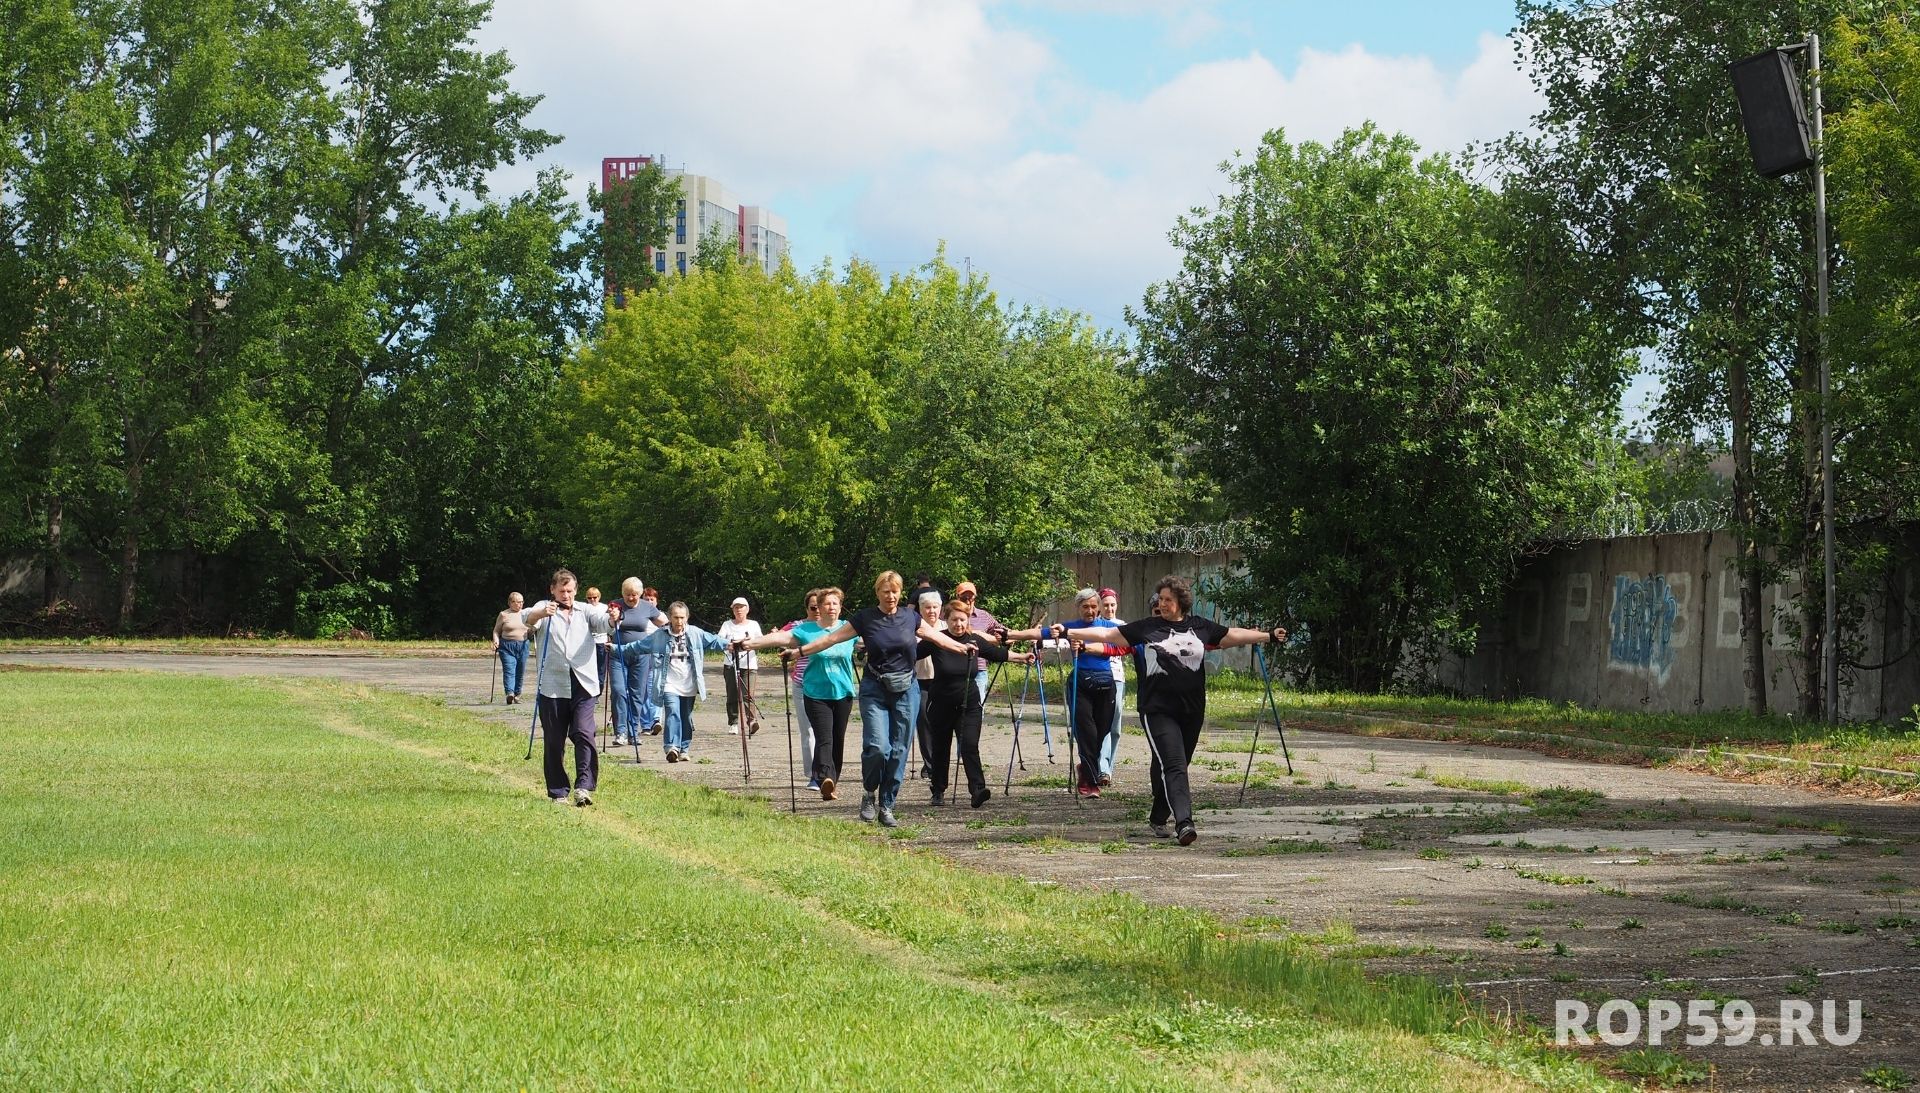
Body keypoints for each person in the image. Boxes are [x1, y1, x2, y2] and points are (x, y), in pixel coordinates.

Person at [1043, 575, 1285, 846]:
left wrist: (1267, 636)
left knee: (1176, 765)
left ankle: (1159, 815)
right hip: (1157, 709)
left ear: (1181, 602)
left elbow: (1231, 635)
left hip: (1192, 710)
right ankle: (1184, 823)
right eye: (1160, 599)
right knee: (1174, 765)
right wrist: (1068, 632)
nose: (1163, 603)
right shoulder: (1148, 627)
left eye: (1168, 599)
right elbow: (1109, 634)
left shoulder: (1199, 627)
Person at [741, 587, 857, 801]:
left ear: (841, 608)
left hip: (843, 693)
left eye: (835, 604)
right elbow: (778, 638)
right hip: (815, 693)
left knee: (838, 739)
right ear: (819, 608)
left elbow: (876, 640)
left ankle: (832, 781)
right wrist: (749, 644)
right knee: (824, 737)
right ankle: (823, 778)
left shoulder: (848, 630)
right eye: (826, 604)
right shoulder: (807, 630)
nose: (831, 607)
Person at [919, 598, 1030, 807]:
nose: (958, 624)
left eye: (962, 620)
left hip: (968, 704)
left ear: (967, 620)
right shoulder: (937, 640)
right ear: (946, 619)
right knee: (941, 748)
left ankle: (978, 790)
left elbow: (999, 653)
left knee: (970, 745)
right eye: (954, 620)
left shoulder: (975, 641)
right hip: (940, 703)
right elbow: (911, 653)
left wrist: (1023, 657)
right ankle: (938, 790)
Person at [520, 569, 616, 805]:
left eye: (570, 591)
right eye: (561, 591)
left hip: (583, 682)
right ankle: (558, 791)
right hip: (552, 684)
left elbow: (604, 623)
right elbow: (527, 618)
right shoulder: (544, 607)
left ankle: (584, 787)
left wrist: (614, 617)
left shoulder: (586, 610)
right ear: (552, 590)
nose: (566, 595)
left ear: (576, 590)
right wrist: (542, 612)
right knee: (554, 739)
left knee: (584, 732)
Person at [613, 601, 729, 762]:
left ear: (687, 617)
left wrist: (731, 645)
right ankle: (671, 747)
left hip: (689, 683)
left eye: (682, 617)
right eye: (675, 617)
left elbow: (714, 641)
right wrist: (616, 648)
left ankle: (684, 748)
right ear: (669, 617)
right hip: (668, 682)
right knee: (672, 711)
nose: (679, 621)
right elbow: (639, 646)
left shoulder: (695, 633)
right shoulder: (660, 635)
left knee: (686, 717)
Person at [609, 577, 666, 746]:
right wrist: (614, 618)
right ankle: (620, 732)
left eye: (634, 594)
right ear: (622, 593)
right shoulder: (615, 605)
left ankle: (633, 731)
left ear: (640, 594)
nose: (630, 598)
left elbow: (664, 623)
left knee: (637, 694)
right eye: (627, 594)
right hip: (618, 654)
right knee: (619, 691)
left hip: (641, 656)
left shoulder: (647, 607)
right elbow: (608, 625)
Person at [779, 591, 822, 789]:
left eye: (820, 606)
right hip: (802, 684)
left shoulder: (834, 627)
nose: (818, 611)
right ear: (807, 609)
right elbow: (778, 638)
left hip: (828, 685)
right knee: (809, 730)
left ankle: (827, 771)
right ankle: (814, 774)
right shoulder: (797, 626)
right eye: (813, 607)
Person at [716, 597, 764, 735]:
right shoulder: (727, 624)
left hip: (749, 664)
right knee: (732, 694)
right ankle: (733, 722)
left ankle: (752, 721)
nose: (739, 610)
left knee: (748, 694)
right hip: (731, 663)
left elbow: (760, 641)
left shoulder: (754, 625)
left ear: (747, 609)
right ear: (733, 610)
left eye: (741, 607)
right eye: (736, 607)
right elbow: (719, 641)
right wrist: (730, 645)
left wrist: (750, 643)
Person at [952, 579, 1001, 704]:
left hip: (979, 669)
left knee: (977, 707)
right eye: (964, 597)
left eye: (971, 597)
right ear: (958, 597)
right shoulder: (950, 614)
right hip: (955, 667)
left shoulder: (984, 615)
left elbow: (1002, 632)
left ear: (975, 597)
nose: (968, 600)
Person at [911, 590, 944, 779]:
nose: (931, 611)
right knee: (923, 722)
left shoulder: (947, 627)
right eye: (927, 607)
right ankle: (930, 764)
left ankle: (938, 762)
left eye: (934, 607)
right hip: (919, 681)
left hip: (942, 682)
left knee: (941, 723)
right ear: (920, 610)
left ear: (940, 608)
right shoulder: (913, 629)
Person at [1096, 587, 1126, 786]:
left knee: (1116, 728)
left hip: (1118, 678)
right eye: (1105, 605)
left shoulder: (1122, 626)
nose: (1109, 609)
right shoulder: (1095, 625)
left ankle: (1109, 768)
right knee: (1103, 724)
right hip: (1100, 677)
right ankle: (1102, 769)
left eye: (1112, 605)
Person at [492, 592, 529, 704]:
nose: (520, 604)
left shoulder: (526, 614)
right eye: (517, 602)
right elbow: (496, 631)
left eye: (521, 601)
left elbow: (533, 627)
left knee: (520, 670)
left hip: (523, 645)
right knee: (509, 670)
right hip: (507, 646)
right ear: (510, 602)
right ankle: (510, 693)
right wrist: (496, 640)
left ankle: (517, 694)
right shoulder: (504, 614)